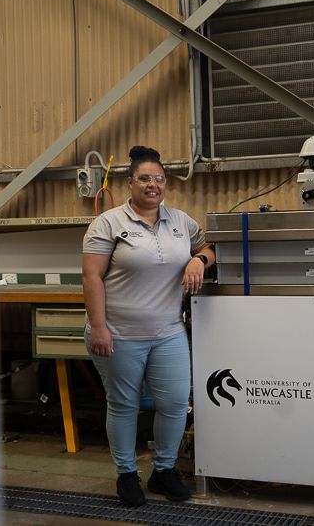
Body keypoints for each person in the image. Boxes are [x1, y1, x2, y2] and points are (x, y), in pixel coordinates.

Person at [82, 145, 215, 507]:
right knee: (123, 403)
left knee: (174, 402)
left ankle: (164, 471)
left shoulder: (180, 221)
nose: (153, 185)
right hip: (119, 333)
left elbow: (209, 245)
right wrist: (98, 327)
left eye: (159, 179)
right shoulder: (109, 223)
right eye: (145, 178)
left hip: (169, 332)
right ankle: (126, 475)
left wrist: (198, 260)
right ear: (130, 183)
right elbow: (91, 276)